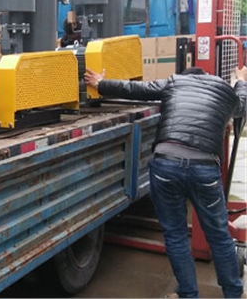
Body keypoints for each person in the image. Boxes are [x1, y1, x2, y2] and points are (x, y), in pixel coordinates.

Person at [84, 66, 247, 298]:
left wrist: (101, 84)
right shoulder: (222, 88)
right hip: (204, 169)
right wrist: (241, 81)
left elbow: (136, 89)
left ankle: (188, 294)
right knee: (219, 235)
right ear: (206, 77)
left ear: (186, 76)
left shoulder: (174, 82)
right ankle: (233, 293)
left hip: (166, 164)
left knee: (175, 234)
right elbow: (242, 106)